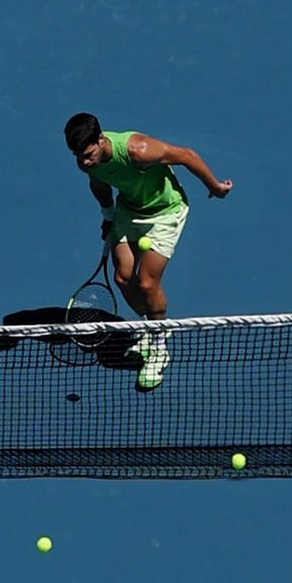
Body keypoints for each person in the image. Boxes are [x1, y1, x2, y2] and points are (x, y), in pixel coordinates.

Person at [64, 110, 234, 392]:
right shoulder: (86, 162)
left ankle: (159, 348)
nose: (84, 161)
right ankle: (153, 325)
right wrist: (108, 215)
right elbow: (99, 183)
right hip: (129, 210)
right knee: (122, 278)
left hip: (165, 213)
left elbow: (187, 155)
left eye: (88, 154)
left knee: (146, 282)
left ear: (101, 139)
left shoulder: (138, 150)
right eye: (78, 156)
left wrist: (214, 187)